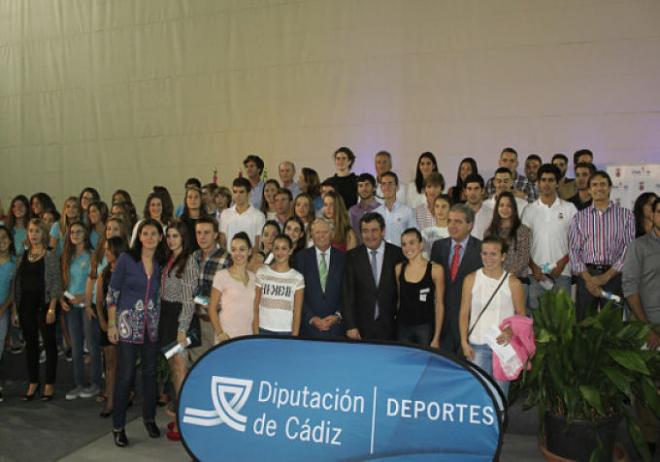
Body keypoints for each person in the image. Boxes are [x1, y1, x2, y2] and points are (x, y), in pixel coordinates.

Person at [107, 218, 167, 447]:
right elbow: (112, 293)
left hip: (151, 327)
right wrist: (112, 325)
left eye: (154, 233)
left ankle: (149, 418)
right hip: (127, 325)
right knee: (126, 376)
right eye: (145, 233)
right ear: (138, 236)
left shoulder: (162, 263)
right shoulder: (126, 259)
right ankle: (118, 426)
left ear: (160, 238)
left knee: (150, 374)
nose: (149, 237)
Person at [459, 236, 526, 396]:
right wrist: (463, 342)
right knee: (478, 394)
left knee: (499, 394)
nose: (488, 258)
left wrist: (510, 331)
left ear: (503, 256)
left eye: (493, 254)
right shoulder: (471, 279)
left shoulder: (513, 282)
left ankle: (500, 420)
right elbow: (463, 313)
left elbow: (521, 315)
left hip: (502, 347)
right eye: (485, 253)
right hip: (477, 346)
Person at [569, 171, 635, 320]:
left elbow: (628, 249)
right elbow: (574, 251)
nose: (599, 188)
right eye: (594, 185)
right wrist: (589, 279)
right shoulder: (579, 217)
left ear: (610, 187)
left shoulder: (626, 216)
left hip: (614, 278)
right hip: (586, 279)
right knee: (584, 327)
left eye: (603, 184)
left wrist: (606, 277)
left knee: (612, 327)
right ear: (589, 190)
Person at [623, 197, 660, 450]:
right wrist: (646, 327)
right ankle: (649, 441)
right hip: (649, 326)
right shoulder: (639, 246)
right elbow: (630, 288)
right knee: (648, 387)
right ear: (653, 216)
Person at [12, 218, 61, 401]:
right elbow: (17, 285)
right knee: (30, 345)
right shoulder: (22, 256)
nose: (34, 235)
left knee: (49, 344)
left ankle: (49, 383)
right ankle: (33, 382)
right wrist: (16, 311)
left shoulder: (50, 256)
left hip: (45, 305)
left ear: (44, 234)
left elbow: (56, 283)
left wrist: (52, 309)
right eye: (31, 231)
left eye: (37, 231)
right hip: (25, 306)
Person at [159, 221, 199, 441]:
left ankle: (183, 421)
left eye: (175, 236)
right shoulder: (170, 259)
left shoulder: (190, 261)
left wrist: (182, 329)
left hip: (179, 320)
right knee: (175, 370)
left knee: (180, 371)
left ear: (183, 237)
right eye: (169, 236)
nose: (171, 239)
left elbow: (188, 301)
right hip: (167, 317)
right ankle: (179, 417)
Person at [522, 164, 577, 309]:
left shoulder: (569, 208)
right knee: (537, 322)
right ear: (538, 183)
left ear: (557, 183)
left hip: (562, 274)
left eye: (551, 180)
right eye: (543, 180)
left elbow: (577, 242)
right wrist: (534, 269)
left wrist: (562, 263)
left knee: (563, 322)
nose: (547, 184)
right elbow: (523, 244)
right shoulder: (529, 210)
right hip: (536, 276)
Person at [342, 213, 404, 341]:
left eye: (374, 230)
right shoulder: (352, 257)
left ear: (383, 231)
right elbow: (347, 294)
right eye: (365, 231)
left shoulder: (397, 254)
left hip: (391, 327)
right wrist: (350, 326)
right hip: (360, 329)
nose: (370, 236)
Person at [430, 204, 483, 353]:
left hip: (470, 321)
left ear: (470, 225)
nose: (452, 226)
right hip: (443, 320)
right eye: (450, 221)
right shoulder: (438, 246)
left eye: (458, 222)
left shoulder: (481, 249)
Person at [60, 222, 101, 401]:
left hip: (87, 306)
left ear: (86, 235)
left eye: (79, 231)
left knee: (92, 346)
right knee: (76, 346)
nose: (75, 234)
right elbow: (63, 282)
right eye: (72, 231)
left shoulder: (92, 256)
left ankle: (95, 384)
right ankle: (78, 384)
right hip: (71, 307)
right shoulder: (67, 257)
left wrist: (83, 298)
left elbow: (95, 281)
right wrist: (62, 299)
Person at [95, 236, 128, 418]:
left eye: (110, 249)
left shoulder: (128, 271)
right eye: (106, 249)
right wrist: (103, 322)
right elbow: (99, 302)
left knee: (124, 363)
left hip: (125, 323)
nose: (106, 252)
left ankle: (124, 396)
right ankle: (110, 401)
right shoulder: (104, 273)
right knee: (110, 363)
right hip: (107, 324)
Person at [294, 219, 345, 338]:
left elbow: (348, 293)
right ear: (311, 235)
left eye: (325, 232)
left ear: (332, 234)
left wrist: (338, 315)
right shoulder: (300, 258)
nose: (321, 236)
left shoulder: (344, 258)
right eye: (317, 232)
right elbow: (297, 294)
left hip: (336, 328)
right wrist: (311, 318)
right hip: (308, 328)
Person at [396, 228, 445, 348]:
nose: (408, 248)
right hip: (403, 327)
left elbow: (439, 305)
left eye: (412, 243)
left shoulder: (435, 270)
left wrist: (436, 337)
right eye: (404, 244)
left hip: (425, 328)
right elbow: (398, 300)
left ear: (421, 244)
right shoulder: (398, 269)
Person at [208, 232, 256, 344]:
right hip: (226, 337)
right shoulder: (221, 275)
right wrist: (220, 333)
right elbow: (212, 308)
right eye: (234, 249)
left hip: (248, 337)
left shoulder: (254, 278)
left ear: (249, 251)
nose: (237, 253)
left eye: (242, 249)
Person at [253, 234, 305, 336]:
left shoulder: (297, 278)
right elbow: (255, 306)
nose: (280, 252)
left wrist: (294, 336)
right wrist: (256, 331)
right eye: (276, 248)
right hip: (263, 329)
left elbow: (297, 313)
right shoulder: (262, 273)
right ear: (272, 250)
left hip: (286, 331)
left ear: (290, 251)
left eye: (284, 248)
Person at [484, 192, 531, 281]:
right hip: (493, 281)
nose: (505, 209)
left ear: (514, 208)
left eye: (509, 206)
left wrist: (504, 277)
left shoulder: (523, 231)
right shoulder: (489, 232)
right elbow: (487, 258)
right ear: (497, 208)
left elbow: (523, 260)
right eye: (501, 205)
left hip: (517, 281)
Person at [219, 177, 266, 249]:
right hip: (229, 258)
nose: (237, 195)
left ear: (249, 193)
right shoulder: (225, 214)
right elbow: (222, 242)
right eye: (235, 192)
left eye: (241, 192)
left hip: (250, 258)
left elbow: (258, 245)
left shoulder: (259, 216)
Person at [374, 171, 417, 246]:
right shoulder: (375, 213)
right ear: (381, 188)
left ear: (397, 187)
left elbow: (414, 237)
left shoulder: (408, 211)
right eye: (384, 184)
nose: (387, 187)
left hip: (401, 254)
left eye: (390, 183)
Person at [0, 225, 16, 402]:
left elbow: (13, 291)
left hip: (2, 311)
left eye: (4, 237)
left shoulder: (14, 262)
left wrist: (4, 308)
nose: (1, 241)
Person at [348, 173, 380, 241]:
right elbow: (350, 236)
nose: (363, 188)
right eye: (360, 185)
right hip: (358, 250)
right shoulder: (352, 211)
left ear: (374, 188)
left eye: (367, 185)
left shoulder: (381, 209)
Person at [464, 174, 493, 241]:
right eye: (469, 189)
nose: (472, 193)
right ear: (465, 192)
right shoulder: (458, 213)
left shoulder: (491, 214)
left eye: (476, 188)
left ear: (482, 191)